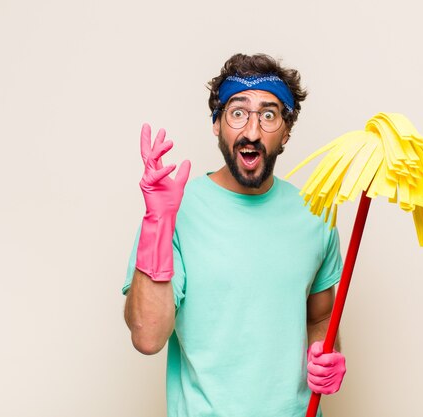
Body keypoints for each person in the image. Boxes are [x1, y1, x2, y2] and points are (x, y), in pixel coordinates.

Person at [123, 53, 347, 417]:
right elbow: (147, 337)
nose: (253, 132)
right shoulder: (174, 210)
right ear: (217, 123)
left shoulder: (316, 214)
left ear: (287, 130)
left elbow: (320, 318)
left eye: (269, 115)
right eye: (238, 113)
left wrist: (327, 355)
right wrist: (157, 224)